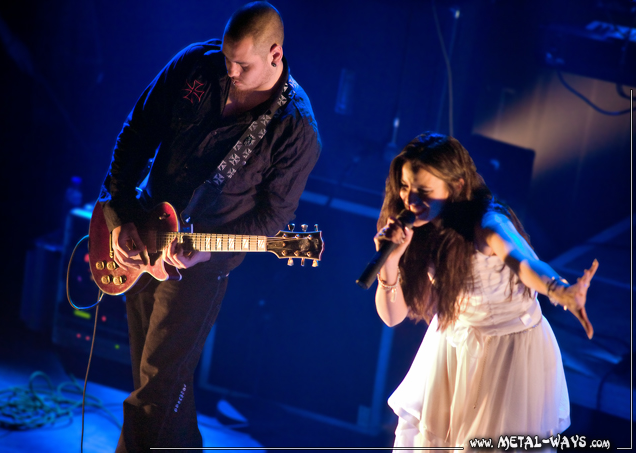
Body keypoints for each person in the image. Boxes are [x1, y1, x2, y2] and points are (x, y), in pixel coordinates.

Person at [98, 2, 320, 450]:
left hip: (200, 265)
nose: (230, 71)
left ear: (276, 55)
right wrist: (119, 213)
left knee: (155, 393)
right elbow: (136, 132)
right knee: (158, 385)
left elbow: (272, 220)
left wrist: (208, 251)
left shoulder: (296, 128)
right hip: (142, 232)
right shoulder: (194, 64)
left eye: (243, 64)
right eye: (226, 58)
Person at [373, 133, 597, 449]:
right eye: (406, 187)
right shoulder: (418, 229)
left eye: (424, 191)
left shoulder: (489, 222)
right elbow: (392, 317)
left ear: (457, 187)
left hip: (506, 353)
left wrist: (559, 291)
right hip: (453, 344)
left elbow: (522, 262)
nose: (410, 200)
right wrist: (390, 262)